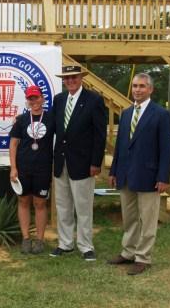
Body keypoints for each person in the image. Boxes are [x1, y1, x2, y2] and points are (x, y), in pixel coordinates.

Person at [108, 73, 170, 275]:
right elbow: (120, 146)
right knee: (129, 218)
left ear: (150, 89)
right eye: (135, 86)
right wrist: (114, 170)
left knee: (147, 219)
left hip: (149, 176)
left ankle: (143, 257)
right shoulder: (126, 113)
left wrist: (163, 177)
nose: (137, 89)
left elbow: (166, 149)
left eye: (142, 86)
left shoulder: (161, 114)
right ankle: (128, 252)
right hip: (125, 174)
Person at [50, 65, 106, 261]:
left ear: (81, 78)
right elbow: (50, 127)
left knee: (83, 206)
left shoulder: (94, 100)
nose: (70, 81)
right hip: (61, 161)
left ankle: (85, 246)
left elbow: (100, 135)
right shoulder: (59, 100)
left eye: (74, 77)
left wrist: (96, 162)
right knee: (63, 205)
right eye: (66, 78)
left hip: (84, 163)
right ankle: (65, 244)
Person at [9, 85, 55, 254]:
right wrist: (13, 168)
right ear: (27, 101)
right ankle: (26, 238)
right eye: (30, 98)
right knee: (23, 201)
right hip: (23, 168)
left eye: (36, 97)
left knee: (40, 203)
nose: (34, 101)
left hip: (43, 168)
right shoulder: (21, 120)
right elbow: (13, 144)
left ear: (42, 99)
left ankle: (40, 240)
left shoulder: (52, 118)